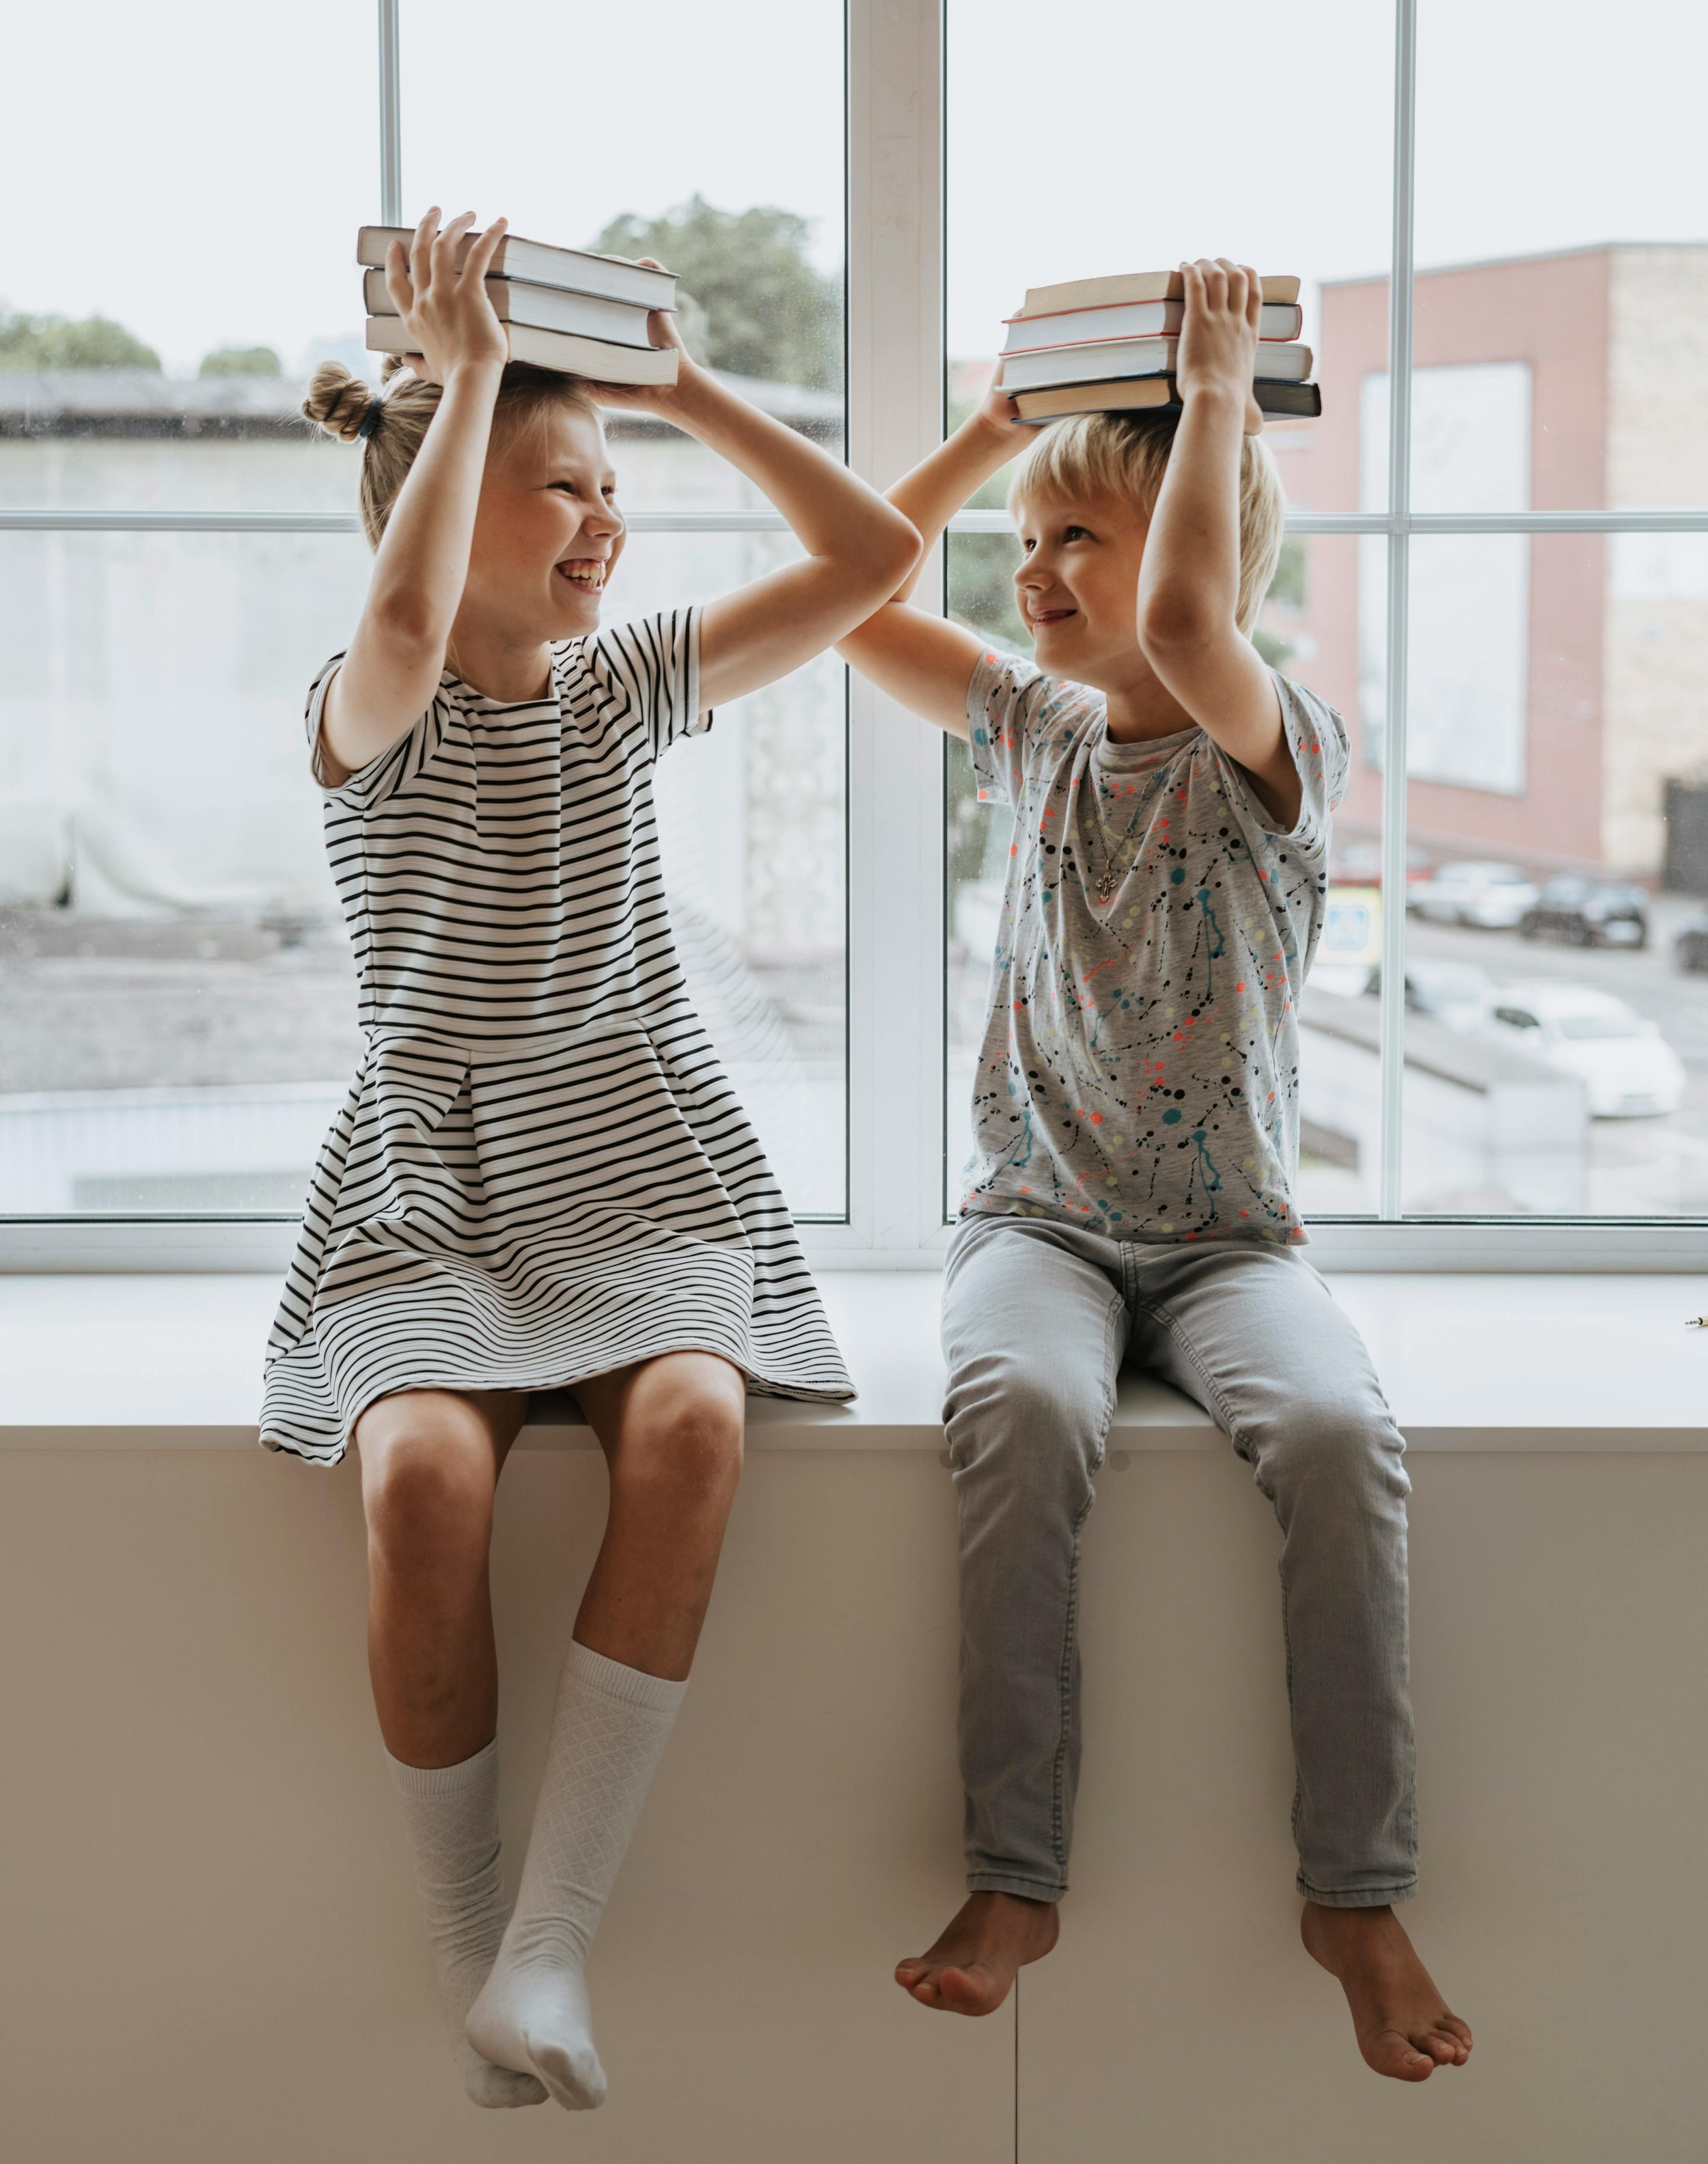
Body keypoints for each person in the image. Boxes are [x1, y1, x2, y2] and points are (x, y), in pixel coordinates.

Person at [259, 208, 920, 2111]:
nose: (603, 520)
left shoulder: (626, 686)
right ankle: (472, 1948)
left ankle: (553, 1939)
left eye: (610, 487)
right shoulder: (364, 708)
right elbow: (400, 625)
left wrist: (679, 384)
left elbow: (870, 561)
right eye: (560, 489)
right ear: (440, 506)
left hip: (633, 1145)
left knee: (696, 1430)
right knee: (425, 1492)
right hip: (433, 1171)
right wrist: (469, 372)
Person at [838, 260, 1472, 2083]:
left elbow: (1191, 618)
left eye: (1077, 541)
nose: (1033, 573)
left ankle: (1350, 1887)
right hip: (1036, 1227)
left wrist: (1208, 398)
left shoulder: (1275, 745)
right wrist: (992, 432)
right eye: (1029, 539)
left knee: (1344, 1439)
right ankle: (1013, 1873)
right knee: (1021, 1414)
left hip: (1226, 1248)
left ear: (1199, 540)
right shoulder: (1029, 729)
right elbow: (852, 592)